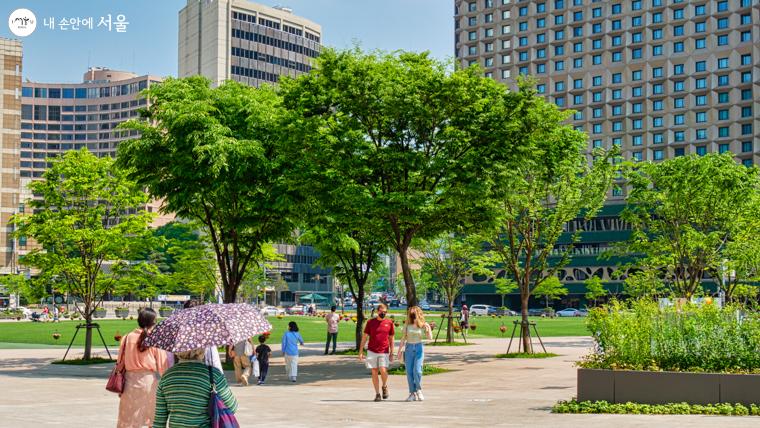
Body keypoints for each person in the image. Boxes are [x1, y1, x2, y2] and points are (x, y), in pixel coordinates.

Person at [153, 348, 237, 427]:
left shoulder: (167, 377)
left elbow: (159, 421)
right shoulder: (214, 374)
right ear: (202, 350)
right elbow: (232, 406)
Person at [116, 307, 169, 428]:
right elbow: (162, 364)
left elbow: (120, 363)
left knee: (128, 418)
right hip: (148, 383)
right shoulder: (154, 339)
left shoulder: (126, 338)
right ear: (153, 322)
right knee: (151, 418)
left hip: (129, 383)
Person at [359, 302, 395, 402]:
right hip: (372, 351)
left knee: (383, 370)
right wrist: (361, 351)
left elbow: (391, 338)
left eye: (385, 312)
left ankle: (384, 386)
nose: (383, 313)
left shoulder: (389, 323)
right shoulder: (370, 323)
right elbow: (365, 337)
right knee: (374, 371)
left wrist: (392, 352)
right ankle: (377, 394)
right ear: (377, 311)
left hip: (384, 351)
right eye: (381, 311)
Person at [397, 306, 433, 401]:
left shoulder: (422, 325)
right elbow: (403, 339)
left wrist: (428, 328)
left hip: (418, 348)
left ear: (417, 313)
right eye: (411, 312)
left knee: (417, 370)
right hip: (409, 348)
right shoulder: (407, 325)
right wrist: (399, 352)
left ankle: (418, 390)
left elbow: (430, 338)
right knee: (409, 372)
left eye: (414, 312)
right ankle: (412, 393)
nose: (412, 313)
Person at [183, 299, 223, 373]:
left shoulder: (181, 335)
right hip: (203, 377)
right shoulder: (205, 334)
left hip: (183, 377)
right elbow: (213, 361)